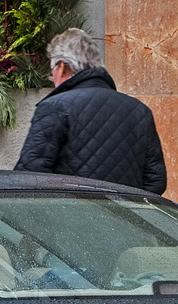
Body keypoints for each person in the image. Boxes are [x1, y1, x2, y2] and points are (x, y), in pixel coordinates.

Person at [14, 29, 167, 194]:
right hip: (125, 218)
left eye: (52, 70)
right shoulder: (140, 111)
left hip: (70, 217)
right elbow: (156, 181)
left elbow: (29, 178)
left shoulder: (54, 107)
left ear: (61, 67)